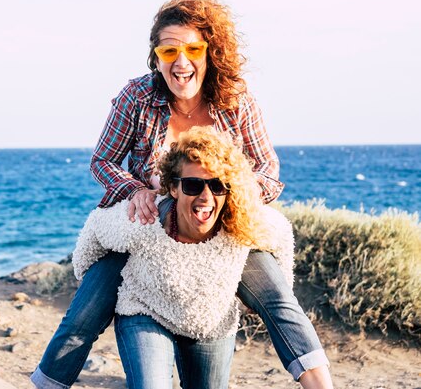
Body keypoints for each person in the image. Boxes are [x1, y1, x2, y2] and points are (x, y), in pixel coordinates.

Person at [32, 0, 332, 389]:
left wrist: (232, 196)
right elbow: (102, 161)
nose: (181, 61)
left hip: (220, 226)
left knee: (278, 299)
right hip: (150, 228)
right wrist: (135, 188)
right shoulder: (137, 97)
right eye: (168, 50)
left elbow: (268, 170)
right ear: (156, 56)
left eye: (192, 48)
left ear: (210, 51)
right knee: (84, 315)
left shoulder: (235, 101)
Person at [72, 128, 295, 389]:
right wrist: (86, 274)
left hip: (209, 319)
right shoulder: (145, 218)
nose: (206, 195)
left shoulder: (241, 223)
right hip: (145, 307)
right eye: (192, 185)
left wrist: (279, 286)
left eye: (218, 185)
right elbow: (96, 227)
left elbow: (281, 236)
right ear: (174, 188)